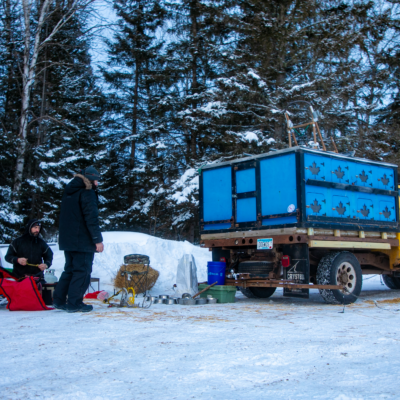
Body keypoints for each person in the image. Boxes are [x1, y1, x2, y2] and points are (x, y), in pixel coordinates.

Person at [53, 166, 104, 313]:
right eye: (96, 180)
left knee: (69, 270)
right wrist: (97, 239)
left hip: (67, 239)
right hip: (82, 239)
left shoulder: (70, 191)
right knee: (82, 271)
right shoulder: (87, 192)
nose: (97, 184)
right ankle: (75, 303)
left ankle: (59, 300)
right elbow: (91, 217)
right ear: (90, 179)